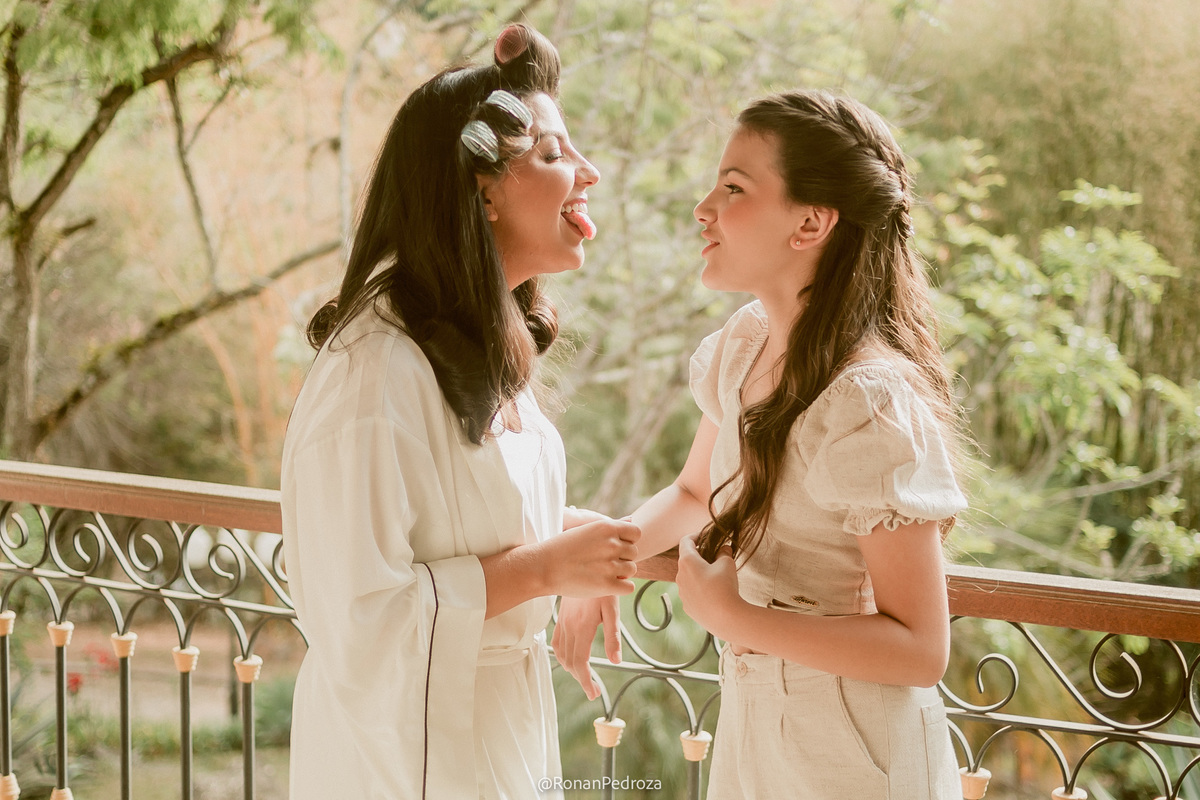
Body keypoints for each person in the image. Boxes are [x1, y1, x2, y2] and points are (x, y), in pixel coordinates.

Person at [554, 89, 968, 798]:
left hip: (856, 748)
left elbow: (921, 649)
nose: (704, 208)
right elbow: (695, 493)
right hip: (752, 723)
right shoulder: (745, 345)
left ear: (810, 222)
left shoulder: (868, 400)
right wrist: (604, 563)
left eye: (734, 187)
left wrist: (732, 616)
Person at [280, 24, 640, 799]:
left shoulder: (479, 340)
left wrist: (570, 541)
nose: (590, 171)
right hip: (407, 755)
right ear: (483, 190)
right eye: (554, 153)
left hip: (497, 726)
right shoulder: (375, 371)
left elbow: (454, 511)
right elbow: (362, 614)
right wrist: (548, 569)